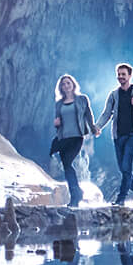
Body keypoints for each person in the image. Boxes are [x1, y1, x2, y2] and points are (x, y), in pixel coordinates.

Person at [94, 63, 133, 207]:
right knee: (123, 168)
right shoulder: (114, 95)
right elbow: (106, 113)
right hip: (118, 135)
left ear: (130, 76)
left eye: (123, 74)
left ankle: (121, 198)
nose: (120, 77)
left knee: (126, 166)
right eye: (119, 74)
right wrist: (97, 126)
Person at [52, 74, 97, 207]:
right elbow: (58, 119)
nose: (66, 86)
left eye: (68, 83)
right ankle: (77, 192)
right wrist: (57, 123)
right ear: (61, 88)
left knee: (67, 162)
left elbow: (88, 115)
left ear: (73, 84)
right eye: (63, 84)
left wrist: (93, 128)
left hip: (77, 137)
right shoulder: (59, 103)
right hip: (63, 137)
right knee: (66, 165)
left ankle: (75, 195)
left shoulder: (82, 99)